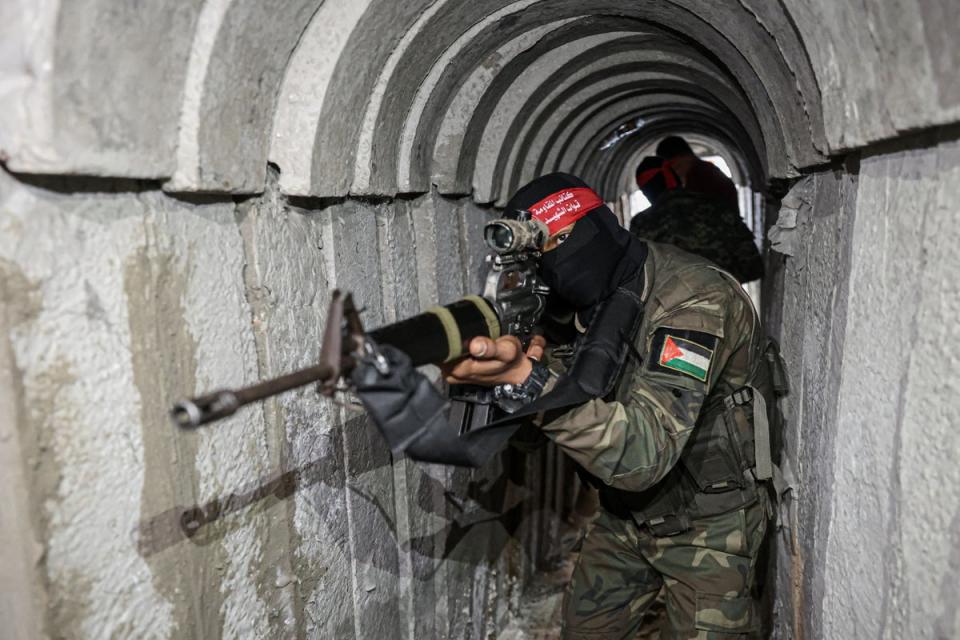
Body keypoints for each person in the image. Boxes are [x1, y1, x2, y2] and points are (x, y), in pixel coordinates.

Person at [439, 173, 783, 639]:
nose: (553, 267)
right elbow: (530, 439)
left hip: (712, 525)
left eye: (557, 243)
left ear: (591, 229)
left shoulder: (693, 300)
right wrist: (503, 378)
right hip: (626, 514)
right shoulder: (582, 304)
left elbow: (644, 456)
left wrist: (528, 381)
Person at [632, 155, 764, 283]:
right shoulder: (717, 207)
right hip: (723, 300)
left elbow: (638, 281)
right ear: (674, 177)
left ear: (647, 192)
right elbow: (753, 268)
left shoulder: (641, 224)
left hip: (668, 305)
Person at [656, 135, 739, 212]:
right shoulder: (703, 172)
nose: (675, 171)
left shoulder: (703, 176)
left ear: (685, 156)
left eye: (676, 165)